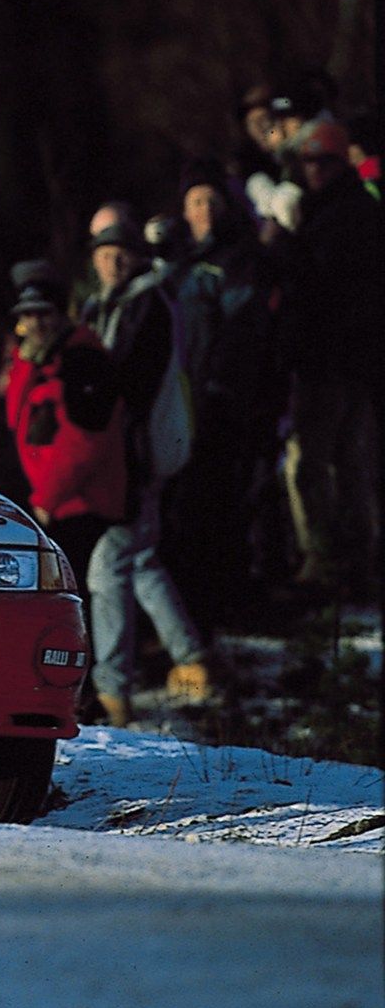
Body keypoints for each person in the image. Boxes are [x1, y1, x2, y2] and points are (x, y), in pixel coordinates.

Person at [80, 215, 213, 721]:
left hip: (135, 454)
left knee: (107, 567)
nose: (112, 260)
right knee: (139, 559)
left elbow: (127, 382)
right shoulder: (109, 304)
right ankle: (190, 656)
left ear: (137, 256)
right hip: (133, 452)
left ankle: (113, 690)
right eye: (103, 251)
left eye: (121, 251)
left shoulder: (143, 305)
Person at [1, 260, 126, 721]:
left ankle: (84, 693)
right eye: (28, 314)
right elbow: (18, 420)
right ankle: (75, 691)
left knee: (73, 603)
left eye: (44, 314)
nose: (34, 323)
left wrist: (47, 500)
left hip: (80, 504)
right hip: (56, 503)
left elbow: (84, 444)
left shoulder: (82, 360)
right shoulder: (40, 359)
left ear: (62, 315)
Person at [264, 119, 383, 594]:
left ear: (336, 163)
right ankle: (360, 559)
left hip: (329, 361)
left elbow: (318, 284)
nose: (312, 170)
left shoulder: (337, 216)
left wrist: (284, 245)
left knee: (308, 462)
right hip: (353, 362)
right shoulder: (356, 209)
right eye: (307, 161)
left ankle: (323, 562)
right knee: (351, 462)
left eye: (320, 161)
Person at [164, 157, 279, 629]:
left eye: (212, 200)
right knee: (185, 502)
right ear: (184, 210)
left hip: (224, 398)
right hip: (179, 400)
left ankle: (228, 600)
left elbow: (243, 330)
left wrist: (224, 387)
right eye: (196, 201)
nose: (205, 210)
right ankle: (195, 599)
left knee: (223, 499)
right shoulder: (176, 262)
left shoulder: (240, 259)